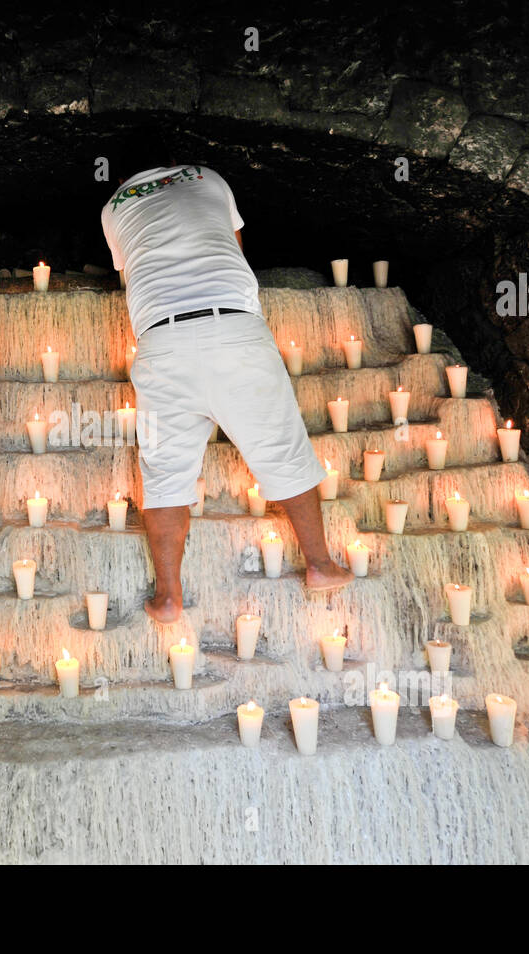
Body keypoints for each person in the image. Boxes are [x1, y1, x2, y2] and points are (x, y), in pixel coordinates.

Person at [101, 160, 354, 624]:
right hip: (232, 327)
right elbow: (235, 249)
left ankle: (169, 597)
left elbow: (135, 270)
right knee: (282, 451)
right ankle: (319, 564)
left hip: (161, 341)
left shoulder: (114, 206)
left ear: (121, 179)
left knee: (165, 475)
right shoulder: (207, 176)